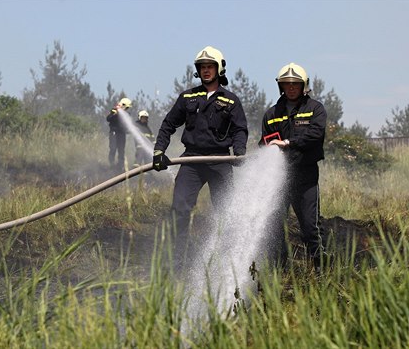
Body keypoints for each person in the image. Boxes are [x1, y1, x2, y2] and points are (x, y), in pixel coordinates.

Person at [152, 46, 248, 245]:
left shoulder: (231, 100)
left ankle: (226, 255)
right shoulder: (188, 97)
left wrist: (239, 151)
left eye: (210, 66)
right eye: (202, 67)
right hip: (192, 161)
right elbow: (168, 124)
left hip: (220, 160)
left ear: (219, 69)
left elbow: (239, 129)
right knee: (180, 208)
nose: (205, 70)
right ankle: (176, 260)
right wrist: (159, 151)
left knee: (226, 211)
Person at [259, 62, 328, 268]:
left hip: (305, 176)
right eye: (286, 84)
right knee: (275, 227)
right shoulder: (271, 114)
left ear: (303, 85)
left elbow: (315, 134)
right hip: (278, 178)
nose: (290, 88)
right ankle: (280, 272)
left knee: (310, 227)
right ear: (280, 86)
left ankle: (320, 268)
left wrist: (289, 143)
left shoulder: (315, 109)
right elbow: (264, 142)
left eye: (295, 84)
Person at [106, 97, 132, 170]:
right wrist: (116, 113)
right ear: (123, 105)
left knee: (121, 150)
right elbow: (108, 119)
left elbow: (127, 125)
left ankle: (120, 166)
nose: (127, 109)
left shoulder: (127, 114)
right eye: (126, 107)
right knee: (113, 148)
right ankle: (111, 164)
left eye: (127, 108)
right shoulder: (114, 111)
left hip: (122, 134)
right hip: (114, 133)